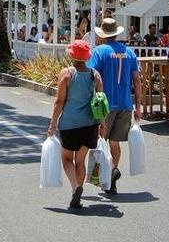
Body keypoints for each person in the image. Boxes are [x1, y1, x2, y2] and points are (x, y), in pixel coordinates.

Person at [47, 40, 103, 209]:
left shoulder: (67, 73)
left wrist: (52, 125)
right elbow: (101, 101)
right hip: (89, 124)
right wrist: (102, 123)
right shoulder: (95, 74)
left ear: (72, 56)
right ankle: (79, 190)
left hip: (69, 124)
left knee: (66, 159)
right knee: (80, 161)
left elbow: (59, 102)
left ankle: (75, 188)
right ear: (86, 57)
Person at [89, 18, 141, 195]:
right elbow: (137, 80)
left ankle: (106, 174)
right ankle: (114, 170)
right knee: (115, 142)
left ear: (103, 35)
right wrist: (138, 106)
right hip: (126, 103)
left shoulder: (99, 52)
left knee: (100, 140)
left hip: (105, 105)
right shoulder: (130, 53)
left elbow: (92, 76)